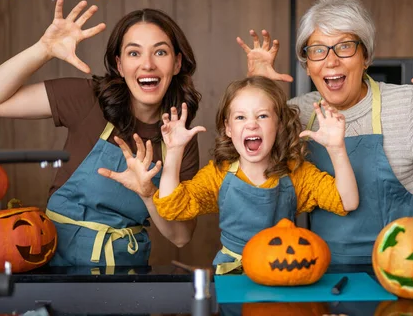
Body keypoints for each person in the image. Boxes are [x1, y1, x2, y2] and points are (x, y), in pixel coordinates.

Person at [237, 0, 413, 264]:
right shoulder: (297, 114)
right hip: (316, 268)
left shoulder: (405, 105)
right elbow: (248, 180)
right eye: (317, 50)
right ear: (307, 65)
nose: (331, 60)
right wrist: (258, 93)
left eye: (345, 46)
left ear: (366, 56)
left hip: (404, 267)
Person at [0, 0, 200, 267]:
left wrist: (149, 194)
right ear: (119, 64)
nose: (147, 64)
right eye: (134, 53)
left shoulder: (178, 138)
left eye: (160, 52)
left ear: (176, 63)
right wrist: (43, 49)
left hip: (127, 274)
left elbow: (181, 236)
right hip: (57, 265)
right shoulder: (87, 99)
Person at [102, 76, 359, 274]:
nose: (251, 124)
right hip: (231, 276)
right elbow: (171, 208)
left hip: (283, 271)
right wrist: (175, 151)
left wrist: (337, 149)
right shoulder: (218, 174)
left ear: (279, 124)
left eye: (262, 115)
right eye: (240, 117)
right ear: (228, 128)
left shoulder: (297, 173)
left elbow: (347, 201)